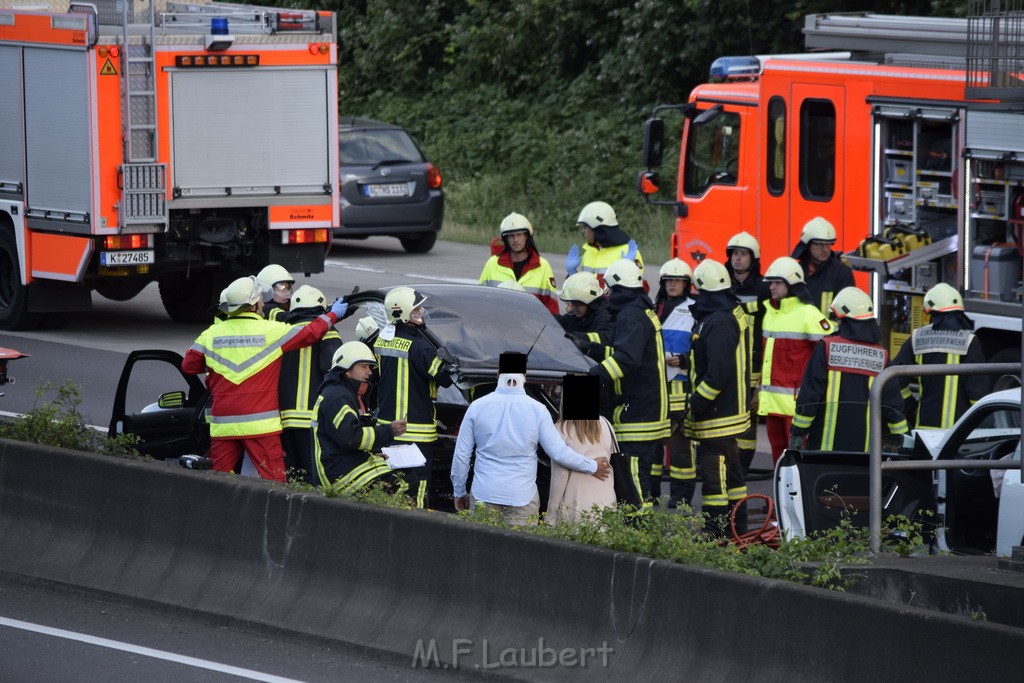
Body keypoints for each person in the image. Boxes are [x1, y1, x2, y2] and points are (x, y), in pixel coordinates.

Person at [182, 276, 347, 481]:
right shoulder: (270, 331)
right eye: (260, 299)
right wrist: (332, 315)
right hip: (261, 426)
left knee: (217, 481)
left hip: (224, 425)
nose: (263, 303)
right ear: (251, 305)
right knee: (275, 483)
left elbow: (189, 366)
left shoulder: (211, 334)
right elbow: (309, 333)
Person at [451, 352, 611, 526]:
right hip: (522, 496)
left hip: (484, 493)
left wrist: (459, 492)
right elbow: (558, 453)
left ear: (498, 374)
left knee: (482, 550)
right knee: (522, 551)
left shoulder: (477, 407)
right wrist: (593, 466)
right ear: (524, 375)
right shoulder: (538, 410)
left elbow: (461, 455)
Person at [584, 259, 670, 505]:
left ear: (618, 288)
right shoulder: (638, 310)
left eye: (609, 289)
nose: (608, 295)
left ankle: (638, 531)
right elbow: (620, 350)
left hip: (638, 414)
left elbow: (627, 359)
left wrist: (595, 374)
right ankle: (641, 527)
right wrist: (589, 348)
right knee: (641, 478)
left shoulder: (631, 315)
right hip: (646, 410)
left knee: (634, 480)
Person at [791, 287, 909, 451]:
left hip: (824, 450)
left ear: (842, 317)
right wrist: (903, 440)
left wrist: (798, 432)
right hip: (866, 453)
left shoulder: (826, 347)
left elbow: (810, 394)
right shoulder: (881, 355)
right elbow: (892, 404)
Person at [374, 286, 455, 508]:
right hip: (417, 432)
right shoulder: (420, 348)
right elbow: (445, 378)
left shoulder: (381, 341)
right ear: (404, 314)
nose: (421, 314)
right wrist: (447, 358)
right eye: (417, 311)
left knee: (392, 485)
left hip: (387, 429)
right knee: (416, 488)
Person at [687, 259, 750, 533]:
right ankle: (739, 528)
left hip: (717, 415)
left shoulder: (719, 322)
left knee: (714, 475)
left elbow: (718, 373)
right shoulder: (728, 313)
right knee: (732, 474)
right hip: (726, 412)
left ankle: (715, 531)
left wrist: (697, 403)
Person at [758, 256, 833, 463]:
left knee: (799, 464)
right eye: (770, 282)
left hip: (797, 408)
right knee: (779, 462)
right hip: (773, 406)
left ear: (791, 284)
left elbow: (829, 354)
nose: (771, 287)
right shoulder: (771, 312)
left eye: (777, 282)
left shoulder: (809, 314)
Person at [311, 341, 408, 491]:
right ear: (346, 370)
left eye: (369, 367)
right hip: (338, 473)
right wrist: (389, 431)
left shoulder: (348, 393)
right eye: (363, 366)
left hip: (347, 463)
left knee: (407, 474)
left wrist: (374, 453)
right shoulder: (338, 397)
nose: (369, 372)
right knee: (403, 481)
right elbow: (352, 437)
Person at [889, 282, 988, 429]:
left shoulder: (918, 338)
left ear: (931, 311)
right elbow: (977, 394)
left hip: (924, 431)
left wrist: (910, 404)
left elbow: (894, 380)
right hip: (958, 435)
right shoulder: (969, 341)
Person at [278, 285, 342, 481]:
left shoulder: (282, 333)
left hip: (283, 418)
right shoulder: (328, 333)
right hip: (311, 418)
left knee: (290, 476)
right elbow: (335, 369)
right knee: (313, 477)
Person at [654, 259, 697, 509]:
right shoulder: (654, 308)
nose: (672, 284)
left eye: (677, 281)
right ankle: (653, 490)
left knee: (681, 446)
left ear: (686, 284)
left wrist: (684, 359)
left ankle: (682, 495)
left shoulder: (694, 309)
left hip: (681, 385)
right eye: (668, 280)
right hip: (656, 386)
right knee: (655, 441)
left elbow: (704, 351)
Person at [725, 231, 769, 474]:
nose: (738, 259)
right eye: (734, 254)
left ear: (753, 259)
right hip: (726, 361)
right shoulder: (721, 284)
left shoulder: (763, 288)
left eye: (743, 254)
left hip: (752, 364)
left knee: (748, 417)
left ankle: (743, 465)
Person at [547, 374, 617, 524]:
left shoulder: (560, 430)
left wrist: (552, 513)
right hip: (606, 504)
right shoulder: (605, 424)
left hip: (575, 506)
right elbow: (611, 460)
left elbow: (560, 476)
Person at [479, 212, 559, 314]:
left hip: (531, 327)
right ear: (506, 239)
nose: (515, 240)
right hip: (497, 325)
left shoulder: (543, 266)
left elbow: (551, 307)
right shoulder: (492, 264)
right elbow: (481, 300)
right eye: (511, 236)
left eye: (519, 235)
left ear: (526, 236)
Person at [566, 201, 644, 289]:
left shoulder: (629, 251)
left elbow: (641, 288)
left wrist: (625, 268)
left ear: (597, 229)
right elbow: (584, 290)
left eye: (585, 227)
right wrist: (572, 274)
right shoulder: (589, 253)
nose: (583, 231)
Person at [791, 217, 855, 316]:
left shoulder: (842, 273)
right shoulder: (795, 272)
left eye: (828, 244)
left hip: (829, 331)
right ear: (808, 245)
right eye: (819, 244)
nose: (825, 249)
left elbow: (846, 312)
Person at [556, 271, 612, 344]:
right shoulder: (579, 315)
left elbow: (606, 337)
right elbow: (560, 321)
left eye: (576, 304)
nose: (573, 307)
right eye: (571, 303)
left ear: (588, 302)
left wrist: (580, 337)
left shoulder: (605, 317)